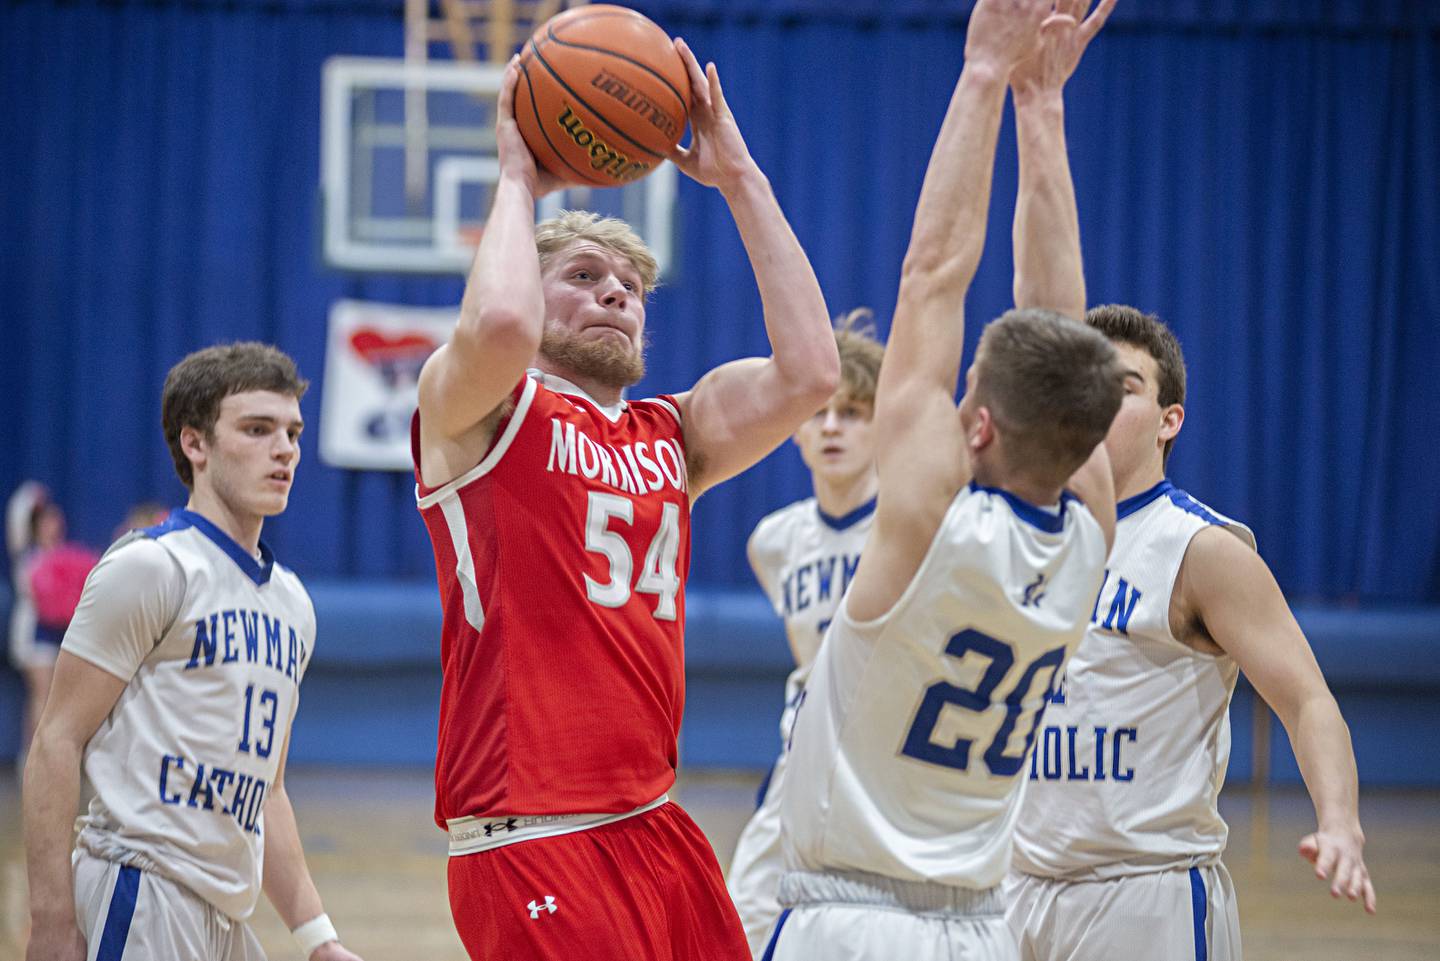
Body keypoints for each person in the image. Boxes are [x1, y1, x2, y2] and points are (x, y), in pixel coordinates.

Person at [410, 36, 838, 961]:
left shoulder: (670, 432)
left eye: (632, 288)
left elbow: (812, 371)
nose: (615, 295)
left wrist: (739, 179)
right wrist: (519, 180)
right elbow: (501, 323)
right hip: (533, 833)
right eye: (584, 276)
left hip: (655, 821)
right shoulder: (478, 409)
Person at [769, 1, 1123, 958]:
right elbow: (1065, 335)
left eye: (966, 386)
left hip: (849, 918)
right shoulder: (1092, 533)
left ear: (979, 425)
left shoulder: (930, 516)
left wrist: (982, 76)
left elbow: (932, 274)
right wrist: (1041, 110)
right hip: (978, 927)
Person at [1005, 309, 1377, 960]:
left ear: (1168, 420)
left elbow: (1307, 701)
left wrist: (1340, 822)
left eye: (1122, 387)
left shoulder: (1200, 549)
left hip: (1143, 895)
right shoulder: (1021, 540)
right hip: (1014, 887)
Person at [23, 343, 363, 961]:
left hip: (226, 914)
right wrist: (50, 921)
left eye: (292, 432)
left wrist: (319, 940)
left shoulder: (292, 603)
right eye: (257, 429)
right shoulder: (152, 566)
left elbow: (268, 793)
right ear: (195, 444)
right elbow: (56, 741)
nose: (284, 449)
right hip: (141, 891)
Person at [726, 310, 885, 956]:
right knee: (743, 919)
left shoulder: (913, 526)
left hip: (887, 760)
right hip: (803, 757)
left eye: (852, 413)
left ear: (883, 424)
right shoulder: (774, 540)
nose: (832, 427)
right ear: (794, 429)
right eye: (819, 413)